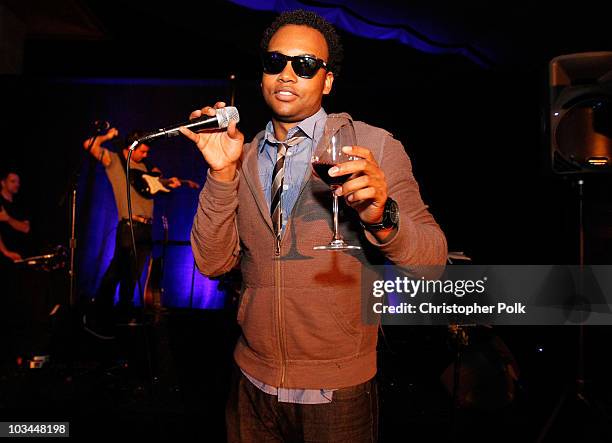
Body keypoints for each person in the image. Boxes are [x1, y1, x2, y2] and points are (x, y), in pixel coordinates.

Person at [184, 10, 447, 442]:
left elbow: (432, 259)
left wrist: (383, 217)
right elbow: (211, 263)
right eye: (275, 62)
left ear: (327, 81)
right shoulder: (242, 155)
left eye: (305, 65)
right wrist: (221, 174)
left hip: (337, 389)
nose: (287, 74)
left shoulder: (373, 145)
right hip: (251, 379)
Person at [82, 128, 182, 339]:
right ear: (131, 149)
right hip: (130, 227)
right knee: (117, 270)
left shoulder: (145, 167)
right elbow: (89, 145)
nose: (146, 155)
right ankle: (98, 313)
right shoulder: (116, 161)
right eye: (143, 151)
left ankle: (123, 316)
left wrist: (168, 183)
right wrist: (108, 136)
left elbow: (155, 185)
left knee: (133, 275)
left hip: (146, 228)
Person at [0, 170, 31, 263]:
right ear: (3, 183)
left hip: (19, 255)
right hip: (3, 256)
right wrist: (6, 252)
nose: (17, 184)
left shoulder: (20, 204)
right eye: (13, 181)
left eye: (18, 182)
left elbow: (26, 228)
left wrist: (8, 219)